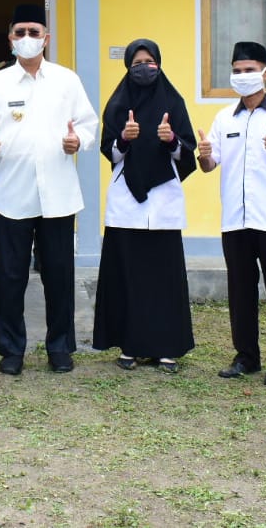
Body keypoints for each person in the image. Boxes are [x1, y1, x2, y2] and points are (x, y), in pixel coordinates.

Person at [0, 4, 99, 376]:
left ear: (47, 37)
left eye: (34, 32)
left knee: (59, 276)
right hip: (11, 196)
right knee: (11, 277)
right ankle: (11, 350)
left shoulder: (66, 80)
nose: (27, 38)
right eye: (20, 32)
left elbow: (89, 124)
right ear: (10, 38)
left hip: (58, 196)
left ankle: (60, 348)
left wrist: (79, 141)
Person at [198, 41, 266, 386]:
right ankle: (246, 357)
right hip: (235, 220)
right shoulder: (223, 118)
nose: (243, 76)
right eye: (237, 71)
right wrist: (202, 153)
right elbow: (208, 165)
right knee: (240, 292)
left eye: (249, 70)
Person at [92, 39, 197, 374]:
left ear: (159, 63)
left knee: (163, 279)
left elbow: (187, 151)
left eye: (150, 60)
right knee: (129, 277)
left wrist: (171, 141)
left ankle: (167, 348)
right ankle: (131, 345)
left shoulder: (174, 101)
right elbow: (110, 151)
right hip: (127, 205)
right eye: (137, 61)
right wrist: (125, 138)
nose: (144, 67)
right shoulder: (118, 103)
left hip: (163, 202)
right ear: (127, 66)